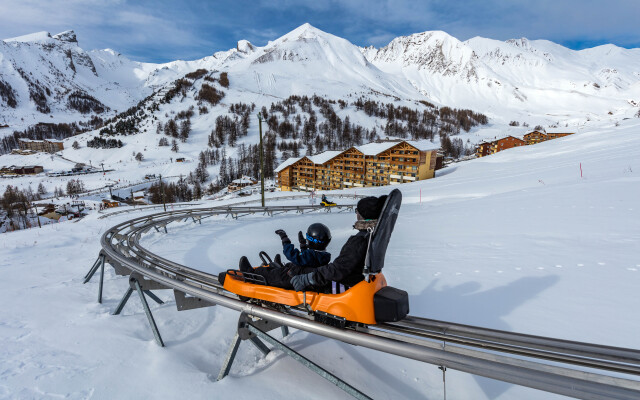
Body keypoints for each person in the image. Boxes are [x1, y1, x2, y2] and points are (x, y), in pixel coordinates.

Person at [223, 194, 387, 292]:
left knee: (285, 275)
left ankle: (252, 275)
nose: (356, 213)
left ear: (362, 215)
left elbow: (338, 270)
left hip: (331, 286)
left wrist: (308, 279)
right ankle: (281, 269)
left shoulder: (360, 240)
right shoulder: (369, 237)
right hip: (339, 282)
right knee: (296, 268)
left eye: (357, 211)